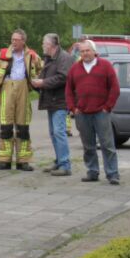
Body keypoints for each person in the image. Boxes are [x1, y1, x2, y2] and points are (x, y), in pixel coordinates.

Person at [65, 39, 122, 184]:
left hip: (101, 112)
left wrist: (107, 107)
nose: (85, 53)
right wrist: (73, 108)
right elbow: (68, 91)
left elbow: (114, 89)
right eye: (82, 51)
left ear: (94, 51)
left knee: (107, 144)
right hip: (82, 113)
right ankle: (92, 171)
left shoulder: (106, 66)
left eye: (87, 50)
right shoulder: (75, 69)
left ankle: (112, 173)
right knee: (88, 145)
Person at [0, 29, 43, 171]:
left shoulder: (31, 55)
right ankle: (4, 160)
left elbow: (42, 69)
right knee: (5, 125)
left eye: (16, 40)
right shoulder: (2, 54)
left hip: (23, 87)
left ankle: (23, 161)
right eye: (12, 39)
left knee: (23, 126)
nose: (13, 42)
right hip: (6, 88)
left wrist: (37, 78)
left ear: (23, 41)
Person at [33, 32, 75, 176]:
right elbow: (46, 76)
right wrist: (36, 82)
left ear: (51, 45)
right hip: (51, 101)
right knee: (53, 133)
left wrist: (43, 83)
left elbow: (63, 77)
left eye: (44, 44)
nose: (42, 46)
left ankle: (65, 164)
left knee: (59, 132)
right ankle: (59, 161)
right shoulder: (49, 58)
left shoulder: (65, 58)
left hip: (61, 101)